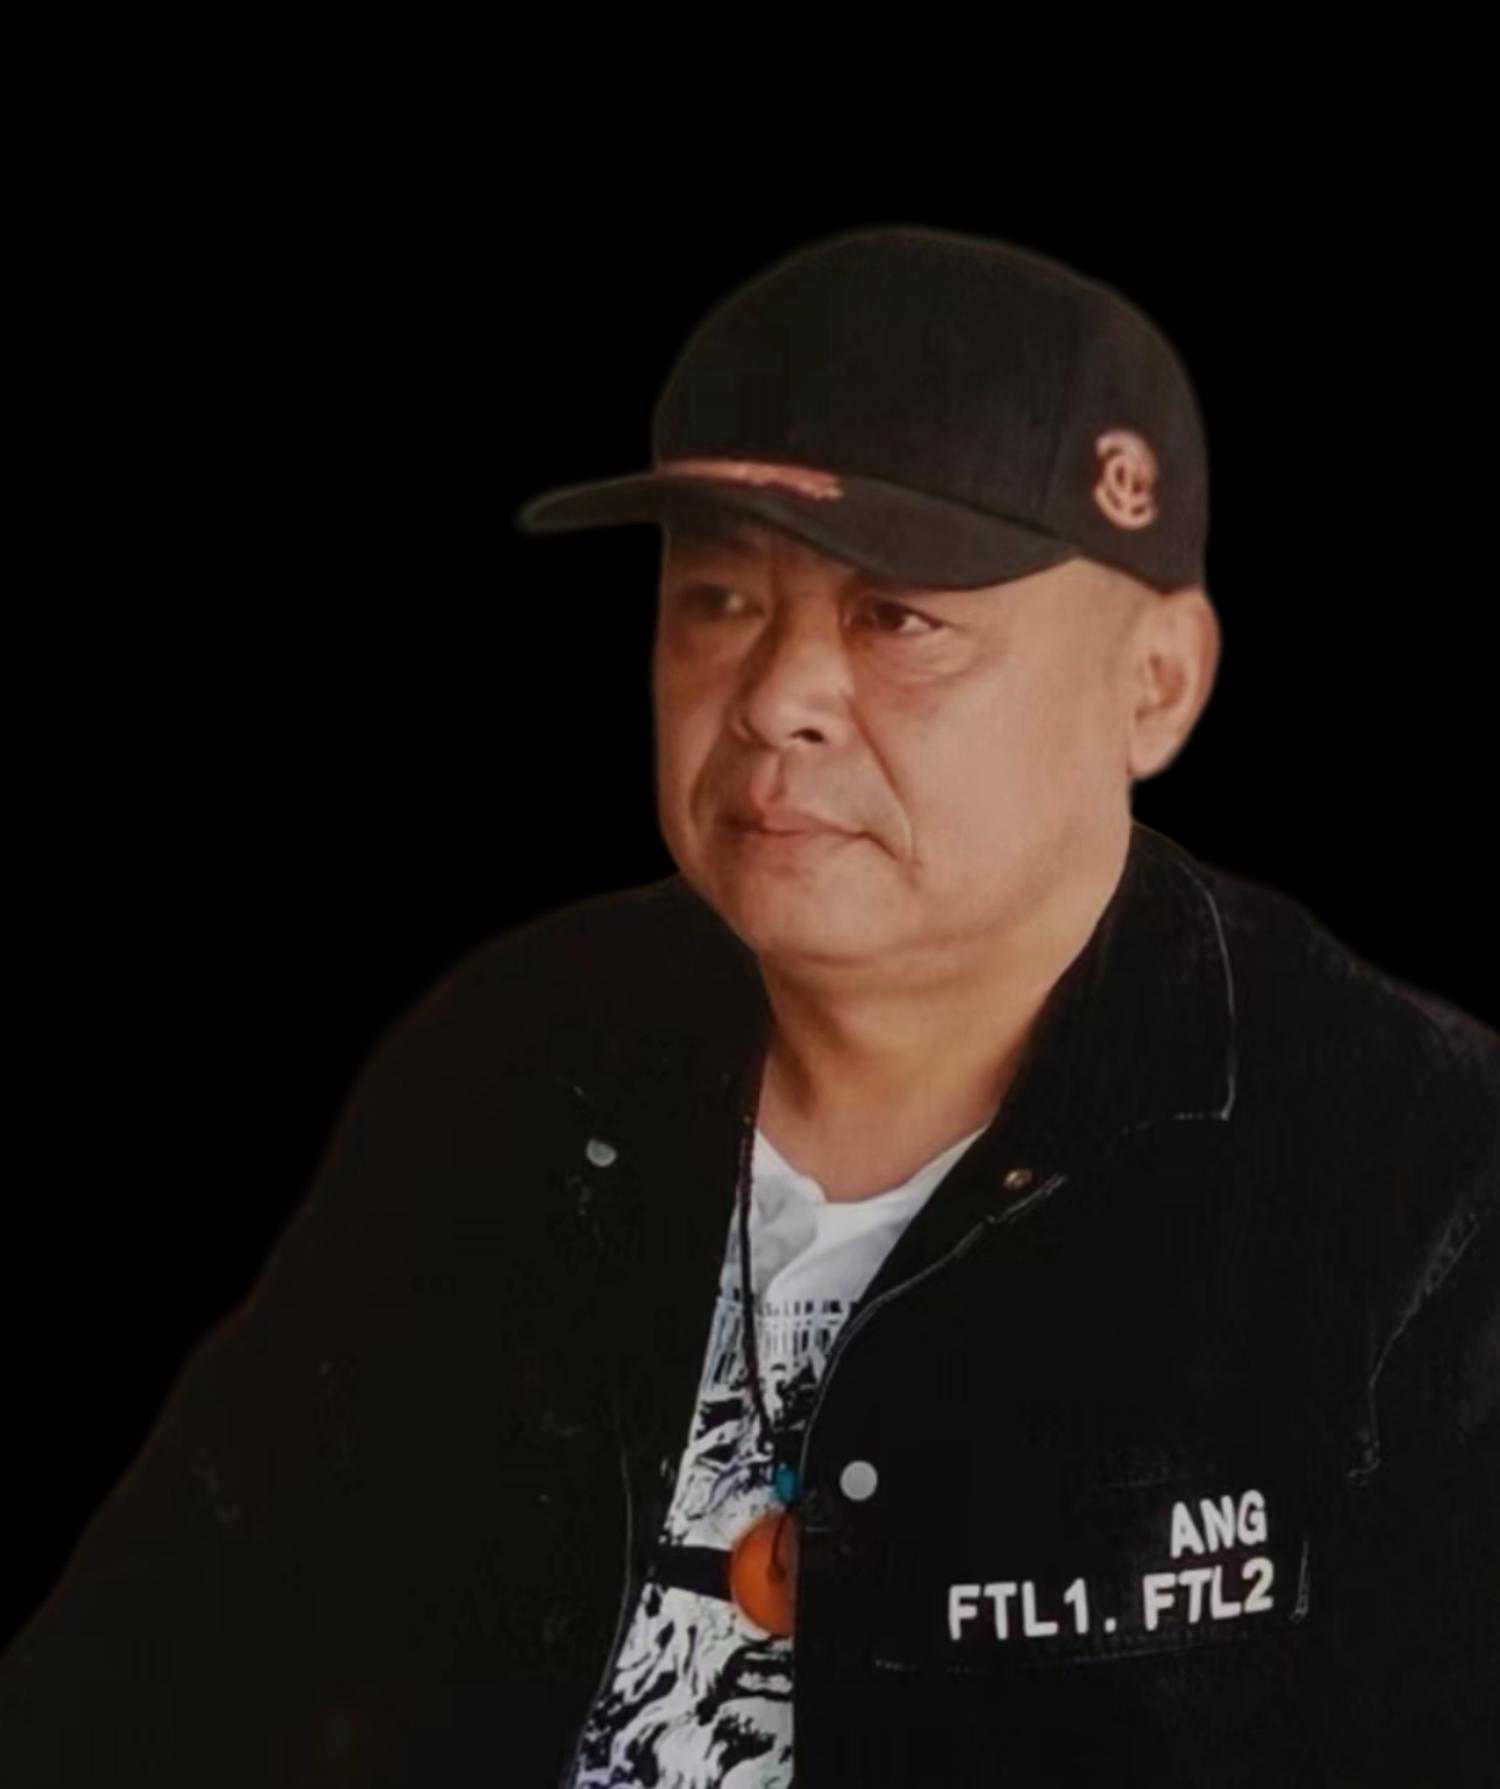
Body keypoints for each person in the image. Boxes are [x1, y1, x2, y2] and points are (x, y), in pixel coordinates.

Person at [3, 226, 1495, 1786]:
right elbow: (133, 1676)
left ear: (1158, 682)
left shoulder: (1416, 1179)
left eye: (896, 616)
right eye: (717, 597)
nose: (776, 694)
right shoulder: (515, 1057)